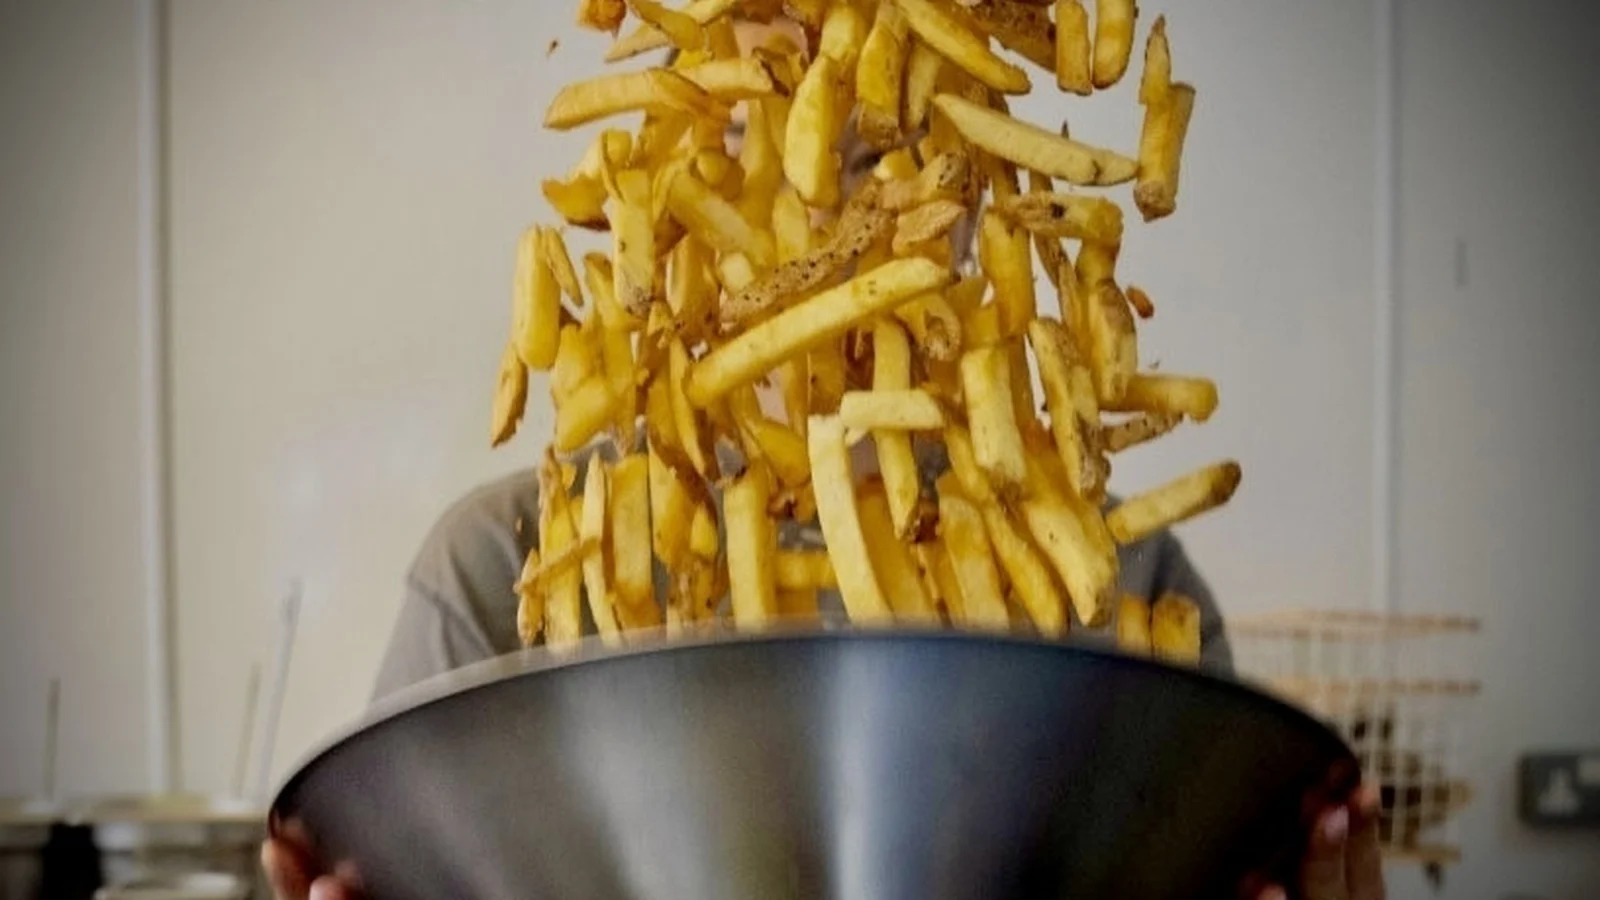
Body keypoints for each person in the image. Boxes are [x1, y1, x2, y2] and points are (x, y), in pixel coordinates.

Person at [264, 14, 1384, 900]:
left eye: (891, 149)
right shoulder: (499, 574)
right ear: (668, 185)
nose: (837, 209)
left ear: (968, 187)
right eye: (767, 133)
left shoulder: (1125, 586)